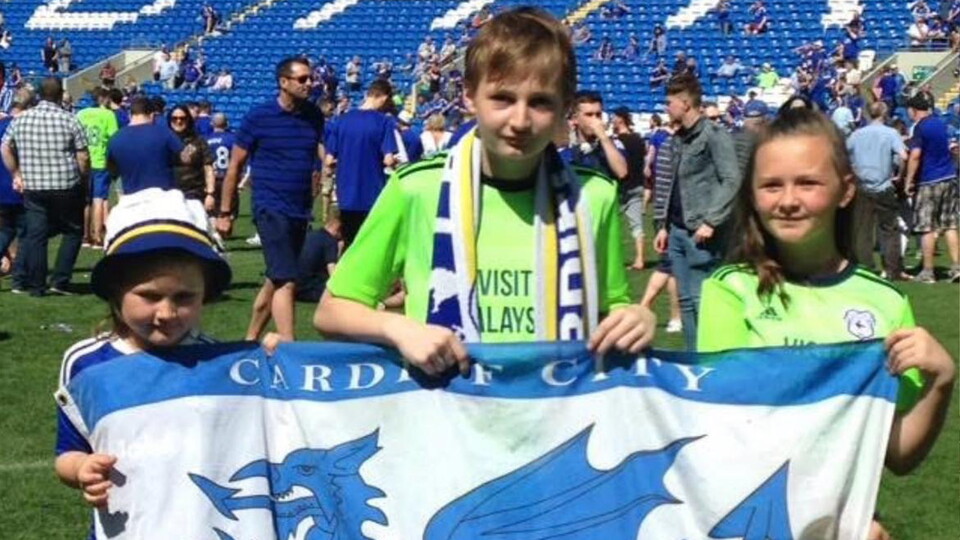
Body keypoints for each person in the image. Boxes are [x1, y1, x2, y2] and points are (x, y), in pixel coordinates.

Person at [314, 7, 656, 376]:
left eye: (540, 102)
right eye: (503, 99)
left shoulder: (593, 196)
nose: (520, 120)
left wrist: (635, 317)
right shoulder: (417, 188)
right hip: (447, 404)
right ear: (468, 96)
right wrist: (398, 328)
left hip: (556, 407)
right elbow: (331, 310)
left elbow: (610, 306)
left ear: (565, 106)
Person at [697, 109, 955, 537]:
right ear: (752, 195)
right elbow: (728, 432)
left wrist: (941, 382)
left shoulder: (886, 302)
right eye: (772, 185)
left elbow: (897, 454)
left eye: (808, 183)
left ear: (845, 190)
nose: (788, 200)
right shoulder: (730, 290)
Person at [53, 188, 232, 538]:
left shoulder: (220, 360)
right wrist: (82, 469)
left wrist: (271, 361)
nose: (167, 313)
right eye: (149, 296)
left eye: (185, 297)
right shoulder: (87, 364)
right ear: (115, 292)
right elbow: (68, 452)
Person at [216, 57, 324, 343]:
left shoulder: (314, 116)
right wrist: (225, 212)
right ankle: (289, 346)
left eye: (310, 78)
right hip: (270, 207)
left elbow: (315, 158)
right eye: (302, 79)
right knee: (287, 280)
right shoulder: (259, 117)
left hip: (300, 208)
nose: (309, 83)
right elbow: (235, 166)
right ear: (283, 82)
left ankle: (250, 338)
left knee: (276, 277)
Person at [654, 73, 741, 350]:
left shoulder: (714, 135)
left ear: (685, 103)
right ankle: (693, 354)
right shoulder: (678, 138)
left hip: (701, 231)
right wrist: (662, 225)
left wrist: (711, 221)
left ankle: (710, 354)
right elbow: (672, 183)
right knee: (685, 300)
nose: (666, 108)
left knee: (702, 298)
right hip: (678, 229)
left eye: (669, 103)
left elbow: (731, 179)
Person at [0, 77, 89, 297]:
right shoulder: (70, 119)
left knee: (36, 235)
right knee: (73, 231)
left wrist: (16, 173)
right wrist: (82, 177)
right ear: (60, 95)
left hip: (34, 185)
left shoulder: (21, 119)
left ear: (39, 94)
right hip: (64, 184)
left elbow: (5, 147)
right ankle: (60, 280)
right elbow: (83, 156)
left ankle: (36, 285)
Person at [323, 79, 399, 245]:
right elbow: (388, 160)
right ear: (384, 98)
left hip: (346, 194)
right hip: (373, 193)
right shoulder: (384, 122)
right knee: (371, 245)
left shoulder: (341, 121)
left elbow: (328, 160)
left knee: (350, 243)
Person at [846, 101, 908, 280]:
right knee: (889, 229)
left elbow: (843, 153)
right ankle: (892, 269)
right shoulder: (890, 133)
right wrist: (900, 175)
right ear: (884, 114)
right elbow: (904, 155)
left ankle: (865, 267)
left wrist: (853, 170)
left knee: (863, 229)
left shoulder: (857, 134)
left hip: (862, 185)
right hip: (884, 185)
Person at [904, 93, 960, 283]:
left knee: (926, 226)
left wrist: (908, 181)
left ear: (914, 109)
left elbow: (915, 155)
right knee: (950, 225)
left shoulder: (920, 127)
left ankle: (928, 271)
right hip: (949, 176)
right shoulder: (941, 123)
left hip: (929, 180)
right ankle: (957, 267)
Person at [107, 97, 188, 195]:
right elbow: (185, 157)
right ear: (152, 115)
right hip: (162, 196)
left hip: (132, 197)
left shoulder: (115, 138)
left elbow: (113, 170)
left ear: (130, 114)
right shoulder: (164, 133)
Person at [76, 88, 120, 248]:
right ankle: (97, 236)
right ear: (102, 99)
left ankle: (85, 236)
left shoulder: (81, 114)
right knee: (98, 199)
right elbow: (114, 138)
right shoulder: (108, 115)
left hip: (83, 162)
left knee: (85, 200)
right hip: (100, 161)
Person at [611, 107, 647, 271]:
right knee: (637, 225)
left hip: (621, 186)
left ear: (620, 120)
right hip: (637, 184)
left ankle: (611, 258)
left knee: (611, 224)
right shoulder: (638, 139)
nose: (612, 120)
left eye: (614, 117)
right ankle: (640, 259)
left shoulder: (616, 142)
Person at [0, 100, 26, 291]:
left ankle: (9, 261)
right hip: (18, 185)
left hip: (2, 187)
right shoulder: (21, 128)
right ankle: (20, 273)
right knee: (26, 231)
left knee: (6, 229)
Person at [168, 105, 215, 208]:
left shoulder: (198, 141)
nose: (178, 121)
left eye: (182, 118)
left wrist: (210, 193)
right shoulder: (163, 141)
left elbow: (208, 167)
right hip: (168, 194)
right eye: (174, 118)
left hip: (194, 193)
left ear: (188, 119)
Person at [295, 212, 342, 303]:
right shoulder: (330, 242)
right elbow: (332, 272)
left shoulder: (310, 234)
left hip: (294, 288)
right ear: (339, 229)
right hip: (310, 290)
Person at [205, 113, 236, 218]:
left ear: (212, 124)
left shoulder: (205, 139)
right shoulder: (232, 138)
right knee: (228, 211)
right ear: (227, 123)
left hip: (211, 179)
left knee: (212, 211)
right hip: (228, 178)